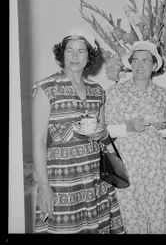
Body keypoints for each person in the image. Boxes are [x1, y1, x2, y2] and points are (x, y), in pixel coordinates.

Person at [31, 29, 125, 234]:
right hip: (62, 177)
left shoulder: (96, 90)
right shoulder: (46, 88)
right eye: (69, 51)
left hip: (94, 177)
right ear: (62, 54)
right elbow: (38, 141)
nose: (74, 57)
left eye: (81, 51)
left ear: (89, 56)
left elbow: (102, 132)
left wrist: (100, 133)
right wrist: (44, 187)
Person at [104, 40, 166, 234]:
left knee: (159, 213)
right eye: (135, 60)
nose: (140, 65)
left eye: (146, 61)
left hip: (157, 163)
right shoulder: (115, 93)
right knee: (131, 214)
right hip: (128, 162)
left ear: (154, 65)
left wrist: (164, 128)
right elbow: (105, 130)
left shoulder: (163, 95)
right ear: (130, 64)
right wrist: (128, 127)